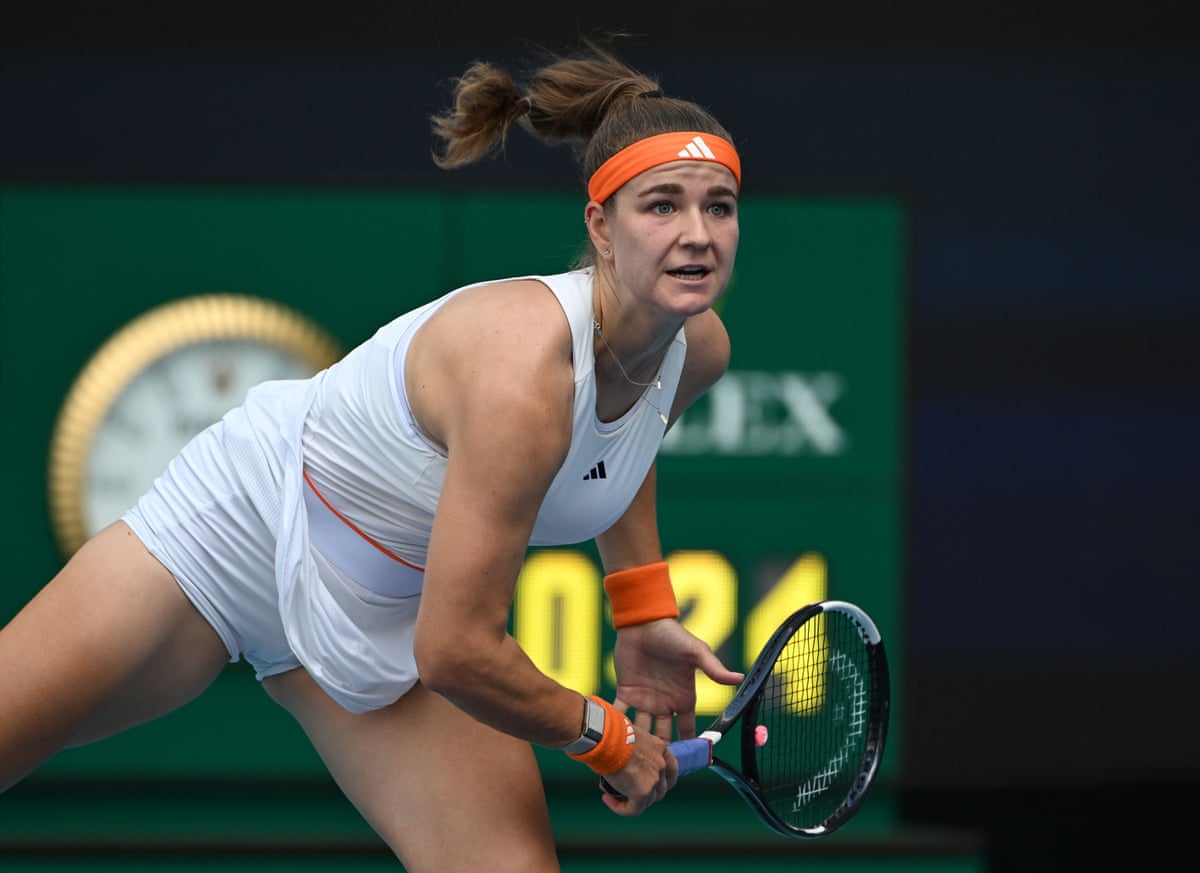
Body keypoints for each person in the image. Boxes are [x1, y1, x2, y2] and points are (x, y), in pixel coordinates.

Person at [0, 40, 746, 871]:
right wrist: (603, 737)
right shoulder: (522, 379)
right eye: (662, 206)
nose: (697, 234)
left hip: (393, 609)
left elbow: (623, 442)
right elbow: (458, 652)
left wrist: (641, 612)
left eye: (720, 206)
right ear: (601, 228)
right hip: (239, 533)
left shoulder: (697, 346)